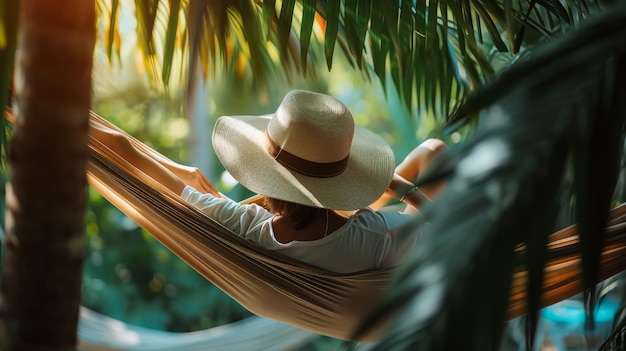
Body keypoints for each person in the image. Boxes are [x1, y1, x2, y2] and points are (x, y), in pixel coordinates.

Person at [91, 90, 447, 273]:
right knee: (435, 151)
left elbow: (141, 161)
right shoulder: (377, 233)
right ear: (341, 175)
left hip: (342, 240)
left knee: (431, 153)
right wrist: (406, 191)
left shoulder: (244, 226)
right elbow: (457, 233)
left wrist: (83, 126)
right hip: (383, 255)